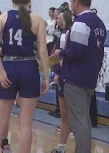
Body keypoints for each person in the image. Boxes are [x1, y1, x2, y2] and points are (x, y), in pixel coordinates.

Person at [0, 0, 49, 153]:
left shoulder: (3, 17)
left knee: (0, 121)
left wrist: (0, 71)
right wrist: (46, 76)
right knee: (26, 124)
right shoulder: (38, 19)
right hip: (29, 67)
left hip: (8, 66)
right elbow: (43, 50)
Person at [51, 0, 106, 153]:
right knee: (84, 120)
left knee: (79, 122)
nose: (70, 6)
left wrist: (60, 53)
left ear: (76, 2)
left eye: (71, 2)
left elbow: (76, 51)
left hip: (76, 78)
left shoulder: (81, 22)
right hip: (90, 78)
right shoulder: (100, 23)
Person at [51, 11, 73, 153]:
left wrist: (58, 72)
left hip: (69, 77)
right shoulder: (62, 35)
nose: (57, 20)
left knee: (69, 114)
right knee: (65, 114)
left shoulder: (67, 35)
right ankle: (61, 147)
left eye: (59, 18)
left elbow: (61, 56)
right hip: (64, 76)